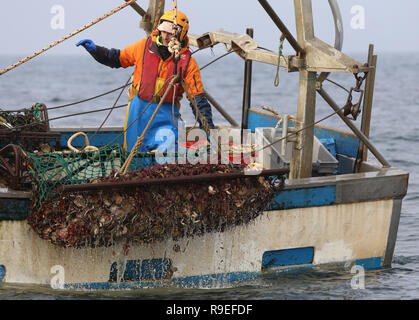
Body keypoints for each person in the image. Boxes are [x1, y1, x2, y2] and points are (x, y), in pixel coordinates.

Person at [76, 9, 215, 152]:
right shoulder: (142, 46)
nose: (167, 36)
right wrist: (96, 51)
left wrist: (208, 129)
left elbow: (198, 100)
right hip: (138, 112)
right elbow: (117, 58)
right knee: (134, 156)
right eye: (164, 31)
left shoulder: (188, 63)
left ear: (181, 34)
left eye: (171, 33)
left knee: (167, 158)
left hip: (166, 114)